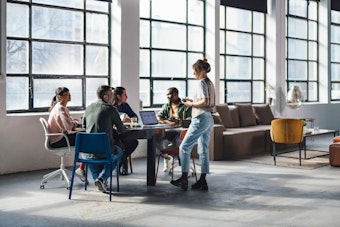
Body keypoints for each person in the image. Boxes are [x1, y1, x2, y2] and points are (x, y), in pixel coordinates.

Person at [170, 58, 215, 191]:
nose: (193, 74)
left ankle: (184, 179)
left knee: (184, 147)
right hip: (209, 118)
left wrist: (190, 104)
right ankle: (202, 180)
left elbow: (205, 101)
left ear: (199, 70)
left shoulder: (201, 82)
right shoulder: (209, 82)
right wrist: (193, 100)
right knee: (203, 150)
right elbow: (206, 101)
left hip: (200, 118)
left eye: (194, 71)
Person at [83, 85, 124, 193]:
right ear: (105, 97)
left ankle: (99, 180)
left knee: (90, 158)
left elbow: (84, 125)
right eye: (111, 95)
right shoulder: (111, 109)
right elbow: (122, 129)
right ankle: (102, 178)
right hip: (104, 150)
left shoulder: (89, 107)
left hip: (87, 150)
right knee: (119, 151)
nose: (113, 98)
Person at [157, 87, 192, 172]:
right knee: (156, 138)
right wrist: (167, 121)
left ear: (176, 95)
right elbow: (158, 116)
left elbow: (191, 120)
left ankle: (185, 168)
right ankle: (167, 158)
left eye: (170, 94)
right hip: (170, 130)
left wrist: (179, 121)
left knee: (178, 142)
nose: (168, 96)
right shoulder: (166, 106)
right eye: (167, 95)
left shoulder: (185, 105)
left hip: (183, 131)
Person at [113, 86, 139, 175]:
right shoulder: (111, 107)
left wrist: (130, 120)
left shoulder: (125, 105)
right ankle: (123, 162)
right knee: (119, 143)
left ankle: (120, 161)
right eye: (125, 95)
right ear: (118, 96)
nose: (127, 97)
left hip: (123, 133)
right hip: (113, 134)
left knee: (134, 142)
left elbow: (135, 117)